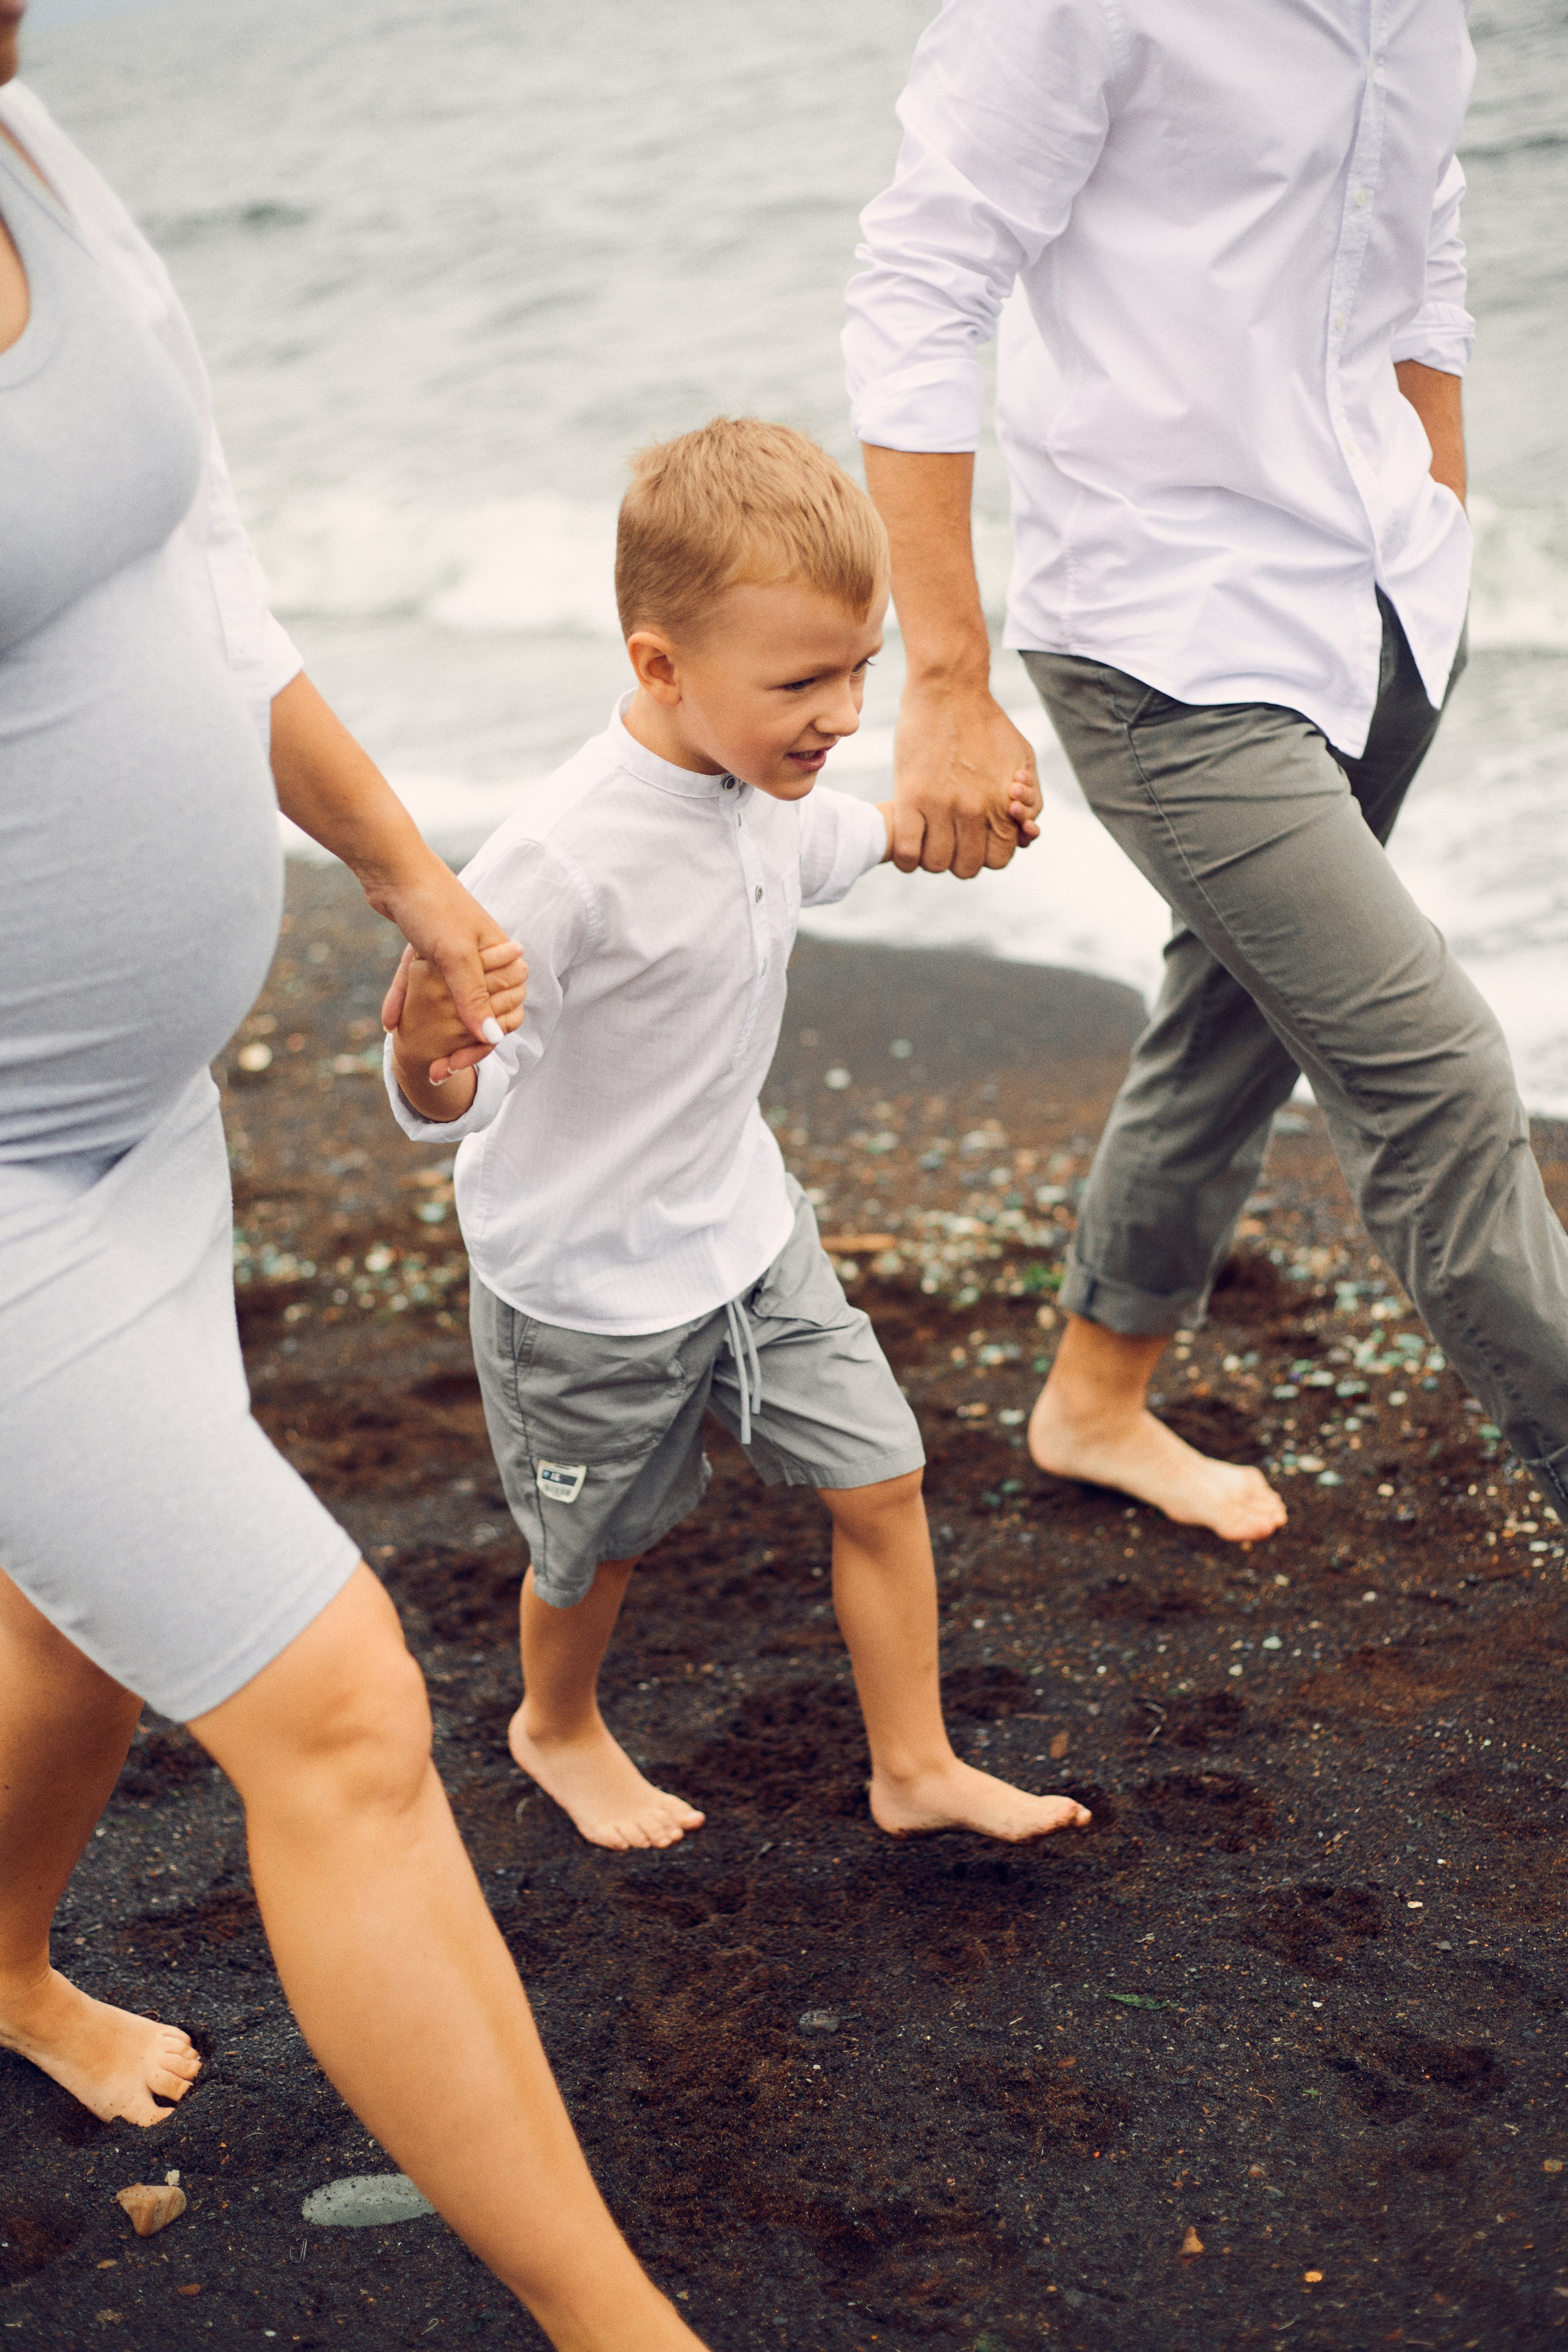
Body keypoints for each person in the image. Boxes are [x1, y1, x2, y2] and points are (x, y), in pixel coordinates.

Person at [0, 24, 708, 2348]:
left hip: (139, 1120)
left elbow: (200, 582)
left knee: (82, 1636)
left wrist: (403, 870)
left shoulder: (28, 141)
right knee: (335, 1718)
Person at [843, 0, 1568, 1541]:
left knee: (1228, 1018)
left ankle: (1092, 1401)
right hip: (1158, 635)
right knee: (1437, 1079)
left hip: (1378, 605)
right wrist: (947, 682)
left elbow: (1420, 216)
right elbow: (920, 285)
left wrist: (1436, 508)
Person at [382, 418, 1087, 1855]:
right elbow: (449, 1092)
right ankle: (555, 1727)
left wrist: (926, 823)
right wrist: (424, 1057)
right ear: (658, 666)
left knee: (879, 1480)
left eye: (859, 671)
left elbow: (820, 847)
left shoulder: (766, 787)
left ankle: (916, 1767)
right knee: (597, 1550)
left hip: (748, 1236)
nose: (837, 714)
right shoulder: (560, 861)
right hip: (582, 1284)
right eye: (800, 682)